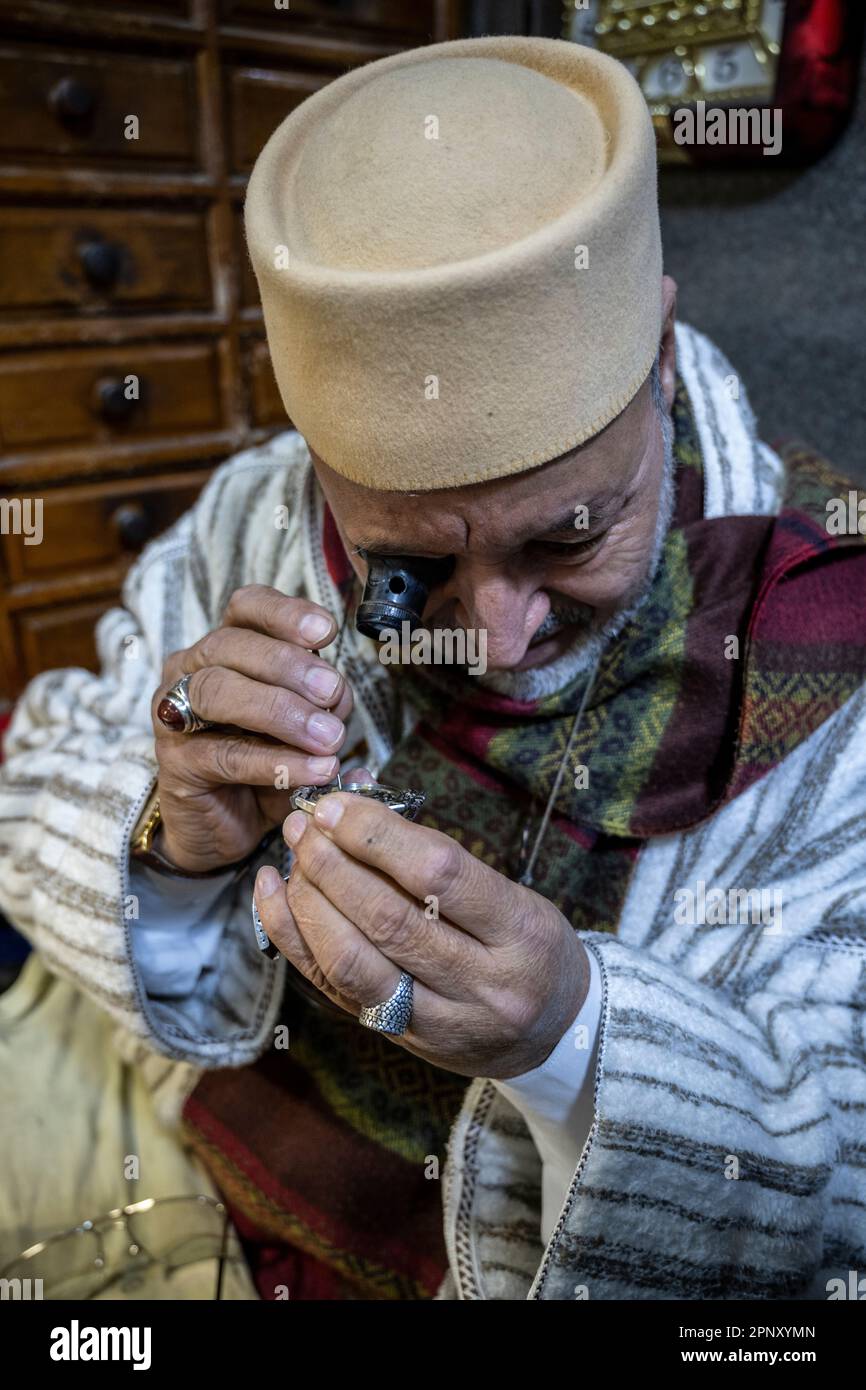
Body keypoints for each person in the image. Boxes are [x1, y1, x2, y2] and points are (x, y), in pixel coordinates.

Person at [1, 35, 865, 1301]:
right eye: (407, 564)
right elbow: (39, 765)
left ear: (661, 357)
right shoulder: (257, 515)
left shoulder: (825, 635)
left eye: (570, 533)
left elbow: (840, 1152)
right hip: (204, 1167)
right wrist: (177, 847)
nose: (499, 638)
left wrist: (570, 1034)